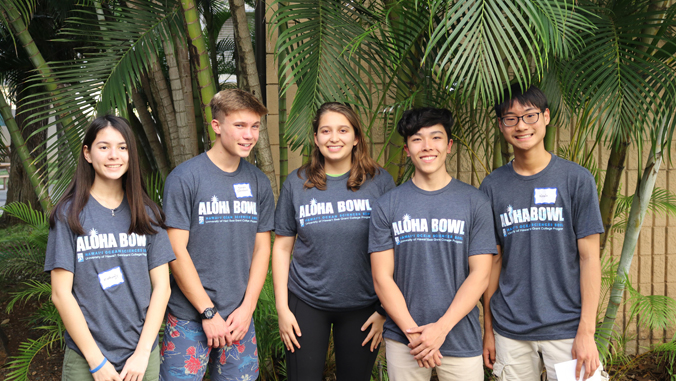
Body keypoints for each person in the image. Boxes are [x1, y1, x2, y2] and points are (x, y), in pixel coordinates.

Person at [480, 85, 604, 381]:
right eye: (511, 118)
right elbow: (493, 262)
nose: (521, 125)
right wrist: (489, 329)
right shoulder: (492, 186)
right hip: (511, 328)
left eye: (530, 115)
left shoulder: (576, 180)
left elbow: (589, 259)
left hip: (567, 327)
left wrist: (587, 330)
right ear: (501, 125)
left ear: (546, 117)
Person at [369, 107, 496, 381]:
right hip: (405, 339)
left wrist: (440, 329)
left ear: (449, 145)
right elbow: (381, 278)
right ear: (406, 150)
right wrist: (416, 335)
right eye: (417, 139)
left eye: (436, 137)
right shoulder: (387, 205)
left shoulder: (475, 203)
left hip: (461, 337)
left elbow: (481, 274)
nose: (427, 147)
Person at [272, 102, 395, 380]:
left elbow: (395, 249)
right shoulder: (297, 183)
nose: (334, 138)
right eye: (325, 131)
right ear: (316, 138)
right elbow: (281, 247)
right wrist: (282, 308)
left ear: (356, 138)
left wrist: (383, 310)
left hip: (364, 305)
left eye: (343, 130)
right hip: (305, 302)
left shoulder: (380, 183)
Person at [46, 115, 174, 381]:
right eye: (103, 147)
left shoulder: (148, 214)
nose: (114, 155)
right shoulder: (69, 215)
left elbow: (162, 288)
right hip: (86, 358)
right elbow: (60, 294)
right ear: (88, 153)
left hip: (141, 357)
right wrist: (96, 362)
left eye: (123, 147)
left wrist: (142, 353)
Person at [159, 89, 274, 380]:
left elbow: (262, 249)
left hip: (239, 320)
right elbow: (176, 250)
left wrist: (247, 308)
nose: (249, 135)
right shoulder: (185, 178)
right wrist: (208, 313)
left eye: (255, 126)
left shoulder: (259, 182)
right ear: (216, 126)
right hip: (189, 317)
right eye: (239, 125)